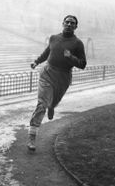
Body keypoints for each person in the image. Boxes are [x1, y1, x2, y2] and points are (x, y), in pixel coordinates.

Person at [28, 15, 87, 151]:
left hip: (63, 77)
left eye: (72, 23)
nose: (69, 24)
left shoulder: (78, 43)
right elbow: (48, 52)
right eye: (67, 22)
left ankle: (52, 105)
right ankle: (32, 137)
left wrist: (71, 57)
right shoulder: (54, 38)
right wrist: (36, 61)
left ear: (76, 27)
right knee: (42, 103)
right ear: (62, 23)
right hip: (47, 73)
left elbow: (83, 64)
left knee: (53, 102)